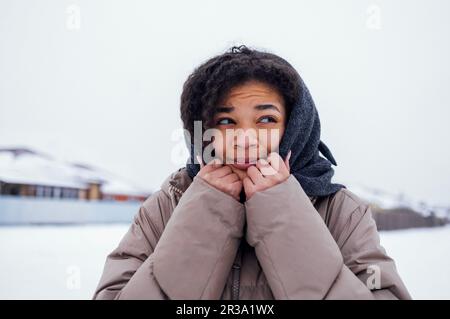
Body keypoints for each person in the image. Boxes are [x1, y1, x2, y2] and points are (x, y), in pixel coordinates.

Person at [93, 45, 411, 300]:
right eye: (227, 122)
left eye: (266, 120)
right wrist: (205, 212)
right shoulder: (168, 204)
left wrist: (282, 210)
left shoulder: (341, 212)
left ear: (295, 127)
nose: (245, 139)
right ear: (202, 132)